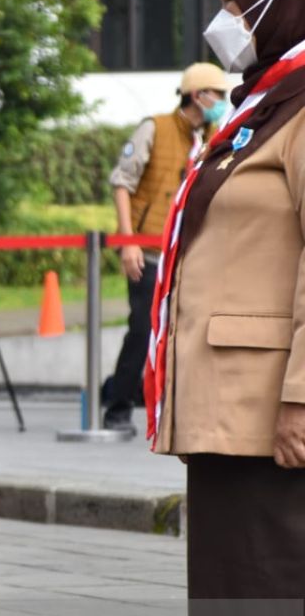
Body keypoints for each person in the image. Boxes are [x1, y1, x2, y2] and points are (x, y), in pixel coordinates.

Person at [147, 0, 305, 616]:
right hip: (227, 414)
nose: (224, 15)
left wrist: (302, 399)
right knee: (229, 609)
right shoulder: (264, 103)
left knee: (267, 613)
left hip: (272, 415)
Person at [103, 61, 227, 432]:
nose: (220, 101)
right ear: (196, 94)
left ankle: (160, 398)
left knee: (186, 329)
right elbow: (122, 183)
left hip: (188, 251)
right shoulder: (153, 128)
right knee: (142, 327)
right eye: (216, 94)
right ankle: (118, 406)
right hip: (148, 249)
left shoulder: (213, 137)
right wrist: (128, 242)